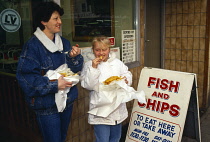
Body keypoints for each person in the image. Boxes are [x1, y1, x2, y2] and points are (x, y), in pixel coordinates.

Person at [16, 2, 83, 142]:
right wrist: (54, 84)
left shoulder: (64, 42)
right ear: (43, 21)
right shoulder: (32, 46)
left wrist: (74, 58)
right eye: (55, 18)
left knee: (62, 137)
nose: (60, 22)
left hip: (66, 100)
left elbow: (76, 70)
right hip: (46, 104)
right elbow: (26, 78)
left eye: (59, 18)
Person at [80, 36, 132, 142]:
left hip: (117, 108)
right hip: (101, 109)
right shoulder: (89, 65)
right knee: (102, 140)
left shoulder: (117, 62)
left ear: (109, 49)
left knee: (115, 138)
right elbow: (88, 85)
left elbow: (127, 73)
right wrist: (94, 68)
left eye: (104, 50)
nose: (101, 53)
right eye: (97, 50)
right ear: (93, 50)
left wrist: (126, 79)